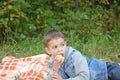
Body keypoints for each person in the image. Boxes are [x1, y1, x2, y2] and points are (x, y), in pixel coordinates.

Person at [43, 29, 120, 80]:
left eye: (62, 45)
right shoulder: (52, 62)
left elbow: (84, 77)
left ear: (65, 44)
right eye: (55, 47)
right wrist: (55, 69)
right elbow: (50, 78)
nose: (60, 49)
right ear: (48, 51)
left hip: (106, 71)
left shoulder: (74, 56)